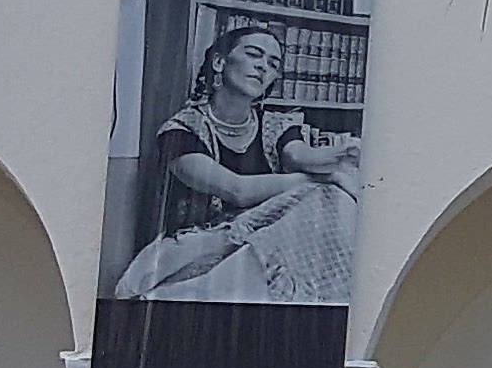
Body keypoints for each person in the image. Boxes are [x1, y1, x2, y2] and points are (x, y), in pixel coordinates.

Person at [111, 23, 363, 305]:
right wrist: (325, 178)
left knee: (330, 201)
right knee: (321, 192)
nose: (263, 67)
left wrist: (342, 155)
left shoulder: (279, 124)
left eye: (272, 63)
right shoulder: (180, 131)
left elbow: (299, 156)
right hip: (200, 245)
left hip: (261, 239)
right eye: (254, 55)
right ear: (220, 62)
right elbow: (236, 190)